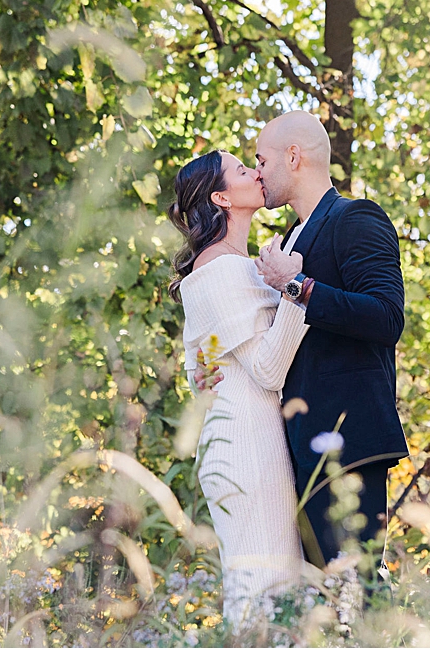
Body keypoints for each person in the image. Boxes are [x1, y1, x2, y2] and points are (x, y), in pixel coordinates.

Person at [249, 111, 407, 576]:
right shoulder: (286, 240)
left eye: (261, 160)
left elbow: (386, 316)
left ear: (293, 156)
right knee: (322, 601)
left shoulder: (356, 217)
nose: (257, 172)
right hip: (297, 449)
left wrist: (298, 285)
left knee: (355, 590)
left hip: (348, 444)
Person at [169, 149, 310, 626]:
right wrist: (294, 291)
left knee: (267, 593)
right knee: (264, 595)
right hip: (246, 448)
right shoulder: (222, 270)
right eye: (243, 169)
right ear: (222, 197)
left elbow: (205, 365)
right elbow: (267, 371)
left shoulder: (231, 266)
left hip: (243, 439)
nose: (257, 172)